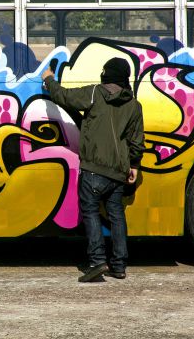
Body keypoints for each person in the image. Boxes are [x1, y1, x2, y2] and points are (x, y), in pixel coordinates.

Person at [42, 57, 145, 282]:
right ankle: (119, 266)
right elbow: (137, 142)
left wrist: (48, 79)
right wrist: (134, 166)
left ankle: (97, 262)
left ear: (106, 74)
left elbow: (63, 96)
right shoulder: (134, 105)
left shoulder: (94, 94)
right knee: (116, 214)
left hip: (93, 170)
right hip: (119, 171)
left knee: (90, 212)